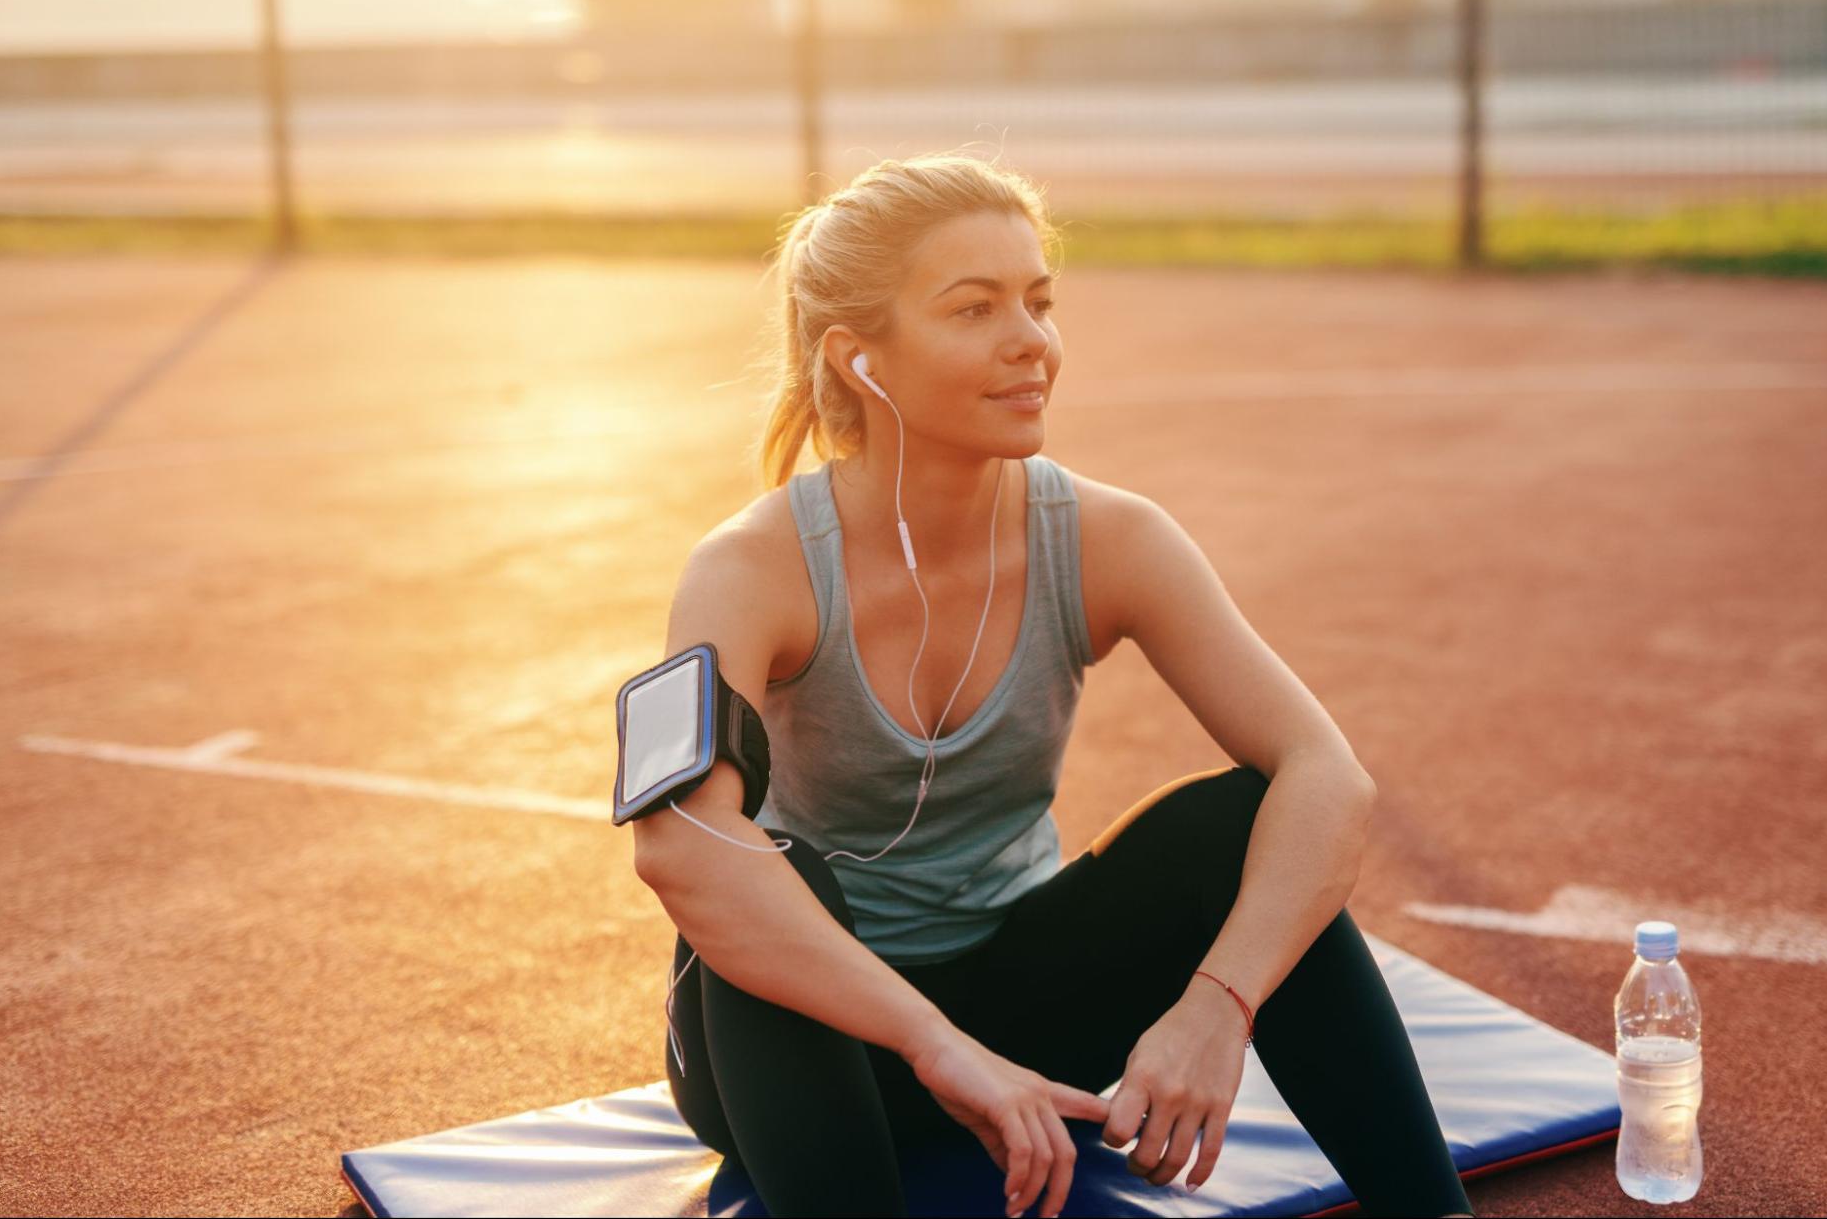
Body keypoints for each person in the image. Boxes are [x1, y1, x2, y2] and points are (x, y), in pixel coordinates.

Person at [629, 152, 1474, 1219]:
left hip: (1020, 1015)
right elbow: (677, 847)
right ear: (860, 361)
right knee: (769, 868)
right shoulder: (749, 569)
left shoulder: (1111, 538)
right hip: (808, 1049)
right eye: (974, 309)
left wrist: (1219, 1005)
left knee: (1239, 820)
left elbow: (1326, 777)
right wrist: (935, 1047)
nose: (1032, 341)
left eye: (1038, 301)